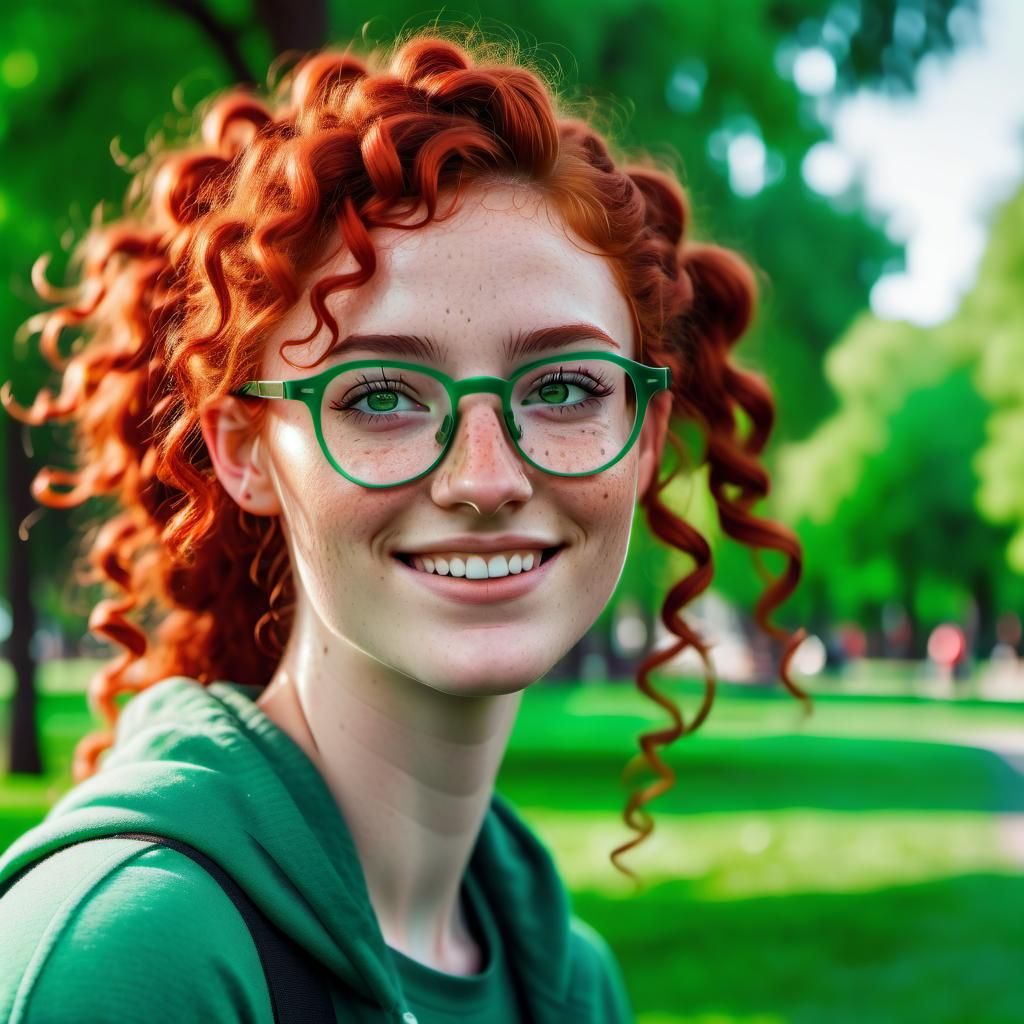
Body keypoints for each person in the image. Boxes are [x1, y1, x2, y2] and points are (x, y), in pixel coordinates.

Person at [0, 28, 809, 1023]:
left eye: (562, 386)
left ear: (642, 438)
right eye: (380, 395)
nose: (486, 477)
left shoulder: (570, 980)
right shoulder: (130, 955)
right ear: (242, 451)